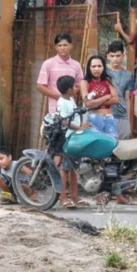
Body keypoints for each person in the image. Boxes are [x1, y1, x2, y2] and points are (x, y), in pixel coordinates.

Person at [55, 75, 90, 208]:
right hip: (67, 138)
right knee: (65, 168)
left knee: (73, 169)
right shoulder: (62, 102)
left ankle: (75, 196)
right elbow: (64, 121)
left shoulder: (70, 99)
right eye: (75, 86)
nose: (77, 88)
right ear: (70, 89)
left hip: (74, 137)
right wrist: (79, 128)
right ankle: (63, 197)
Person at [36, 33, 84, 115]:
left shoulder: (76, 65)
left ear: (71, 46)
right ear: (56, 47)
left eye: (65, 45)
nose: (62, 48)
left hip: (71, 107)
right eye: (59, 45)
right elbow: (40, 86)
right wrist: (59, 97)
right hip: (54, 109)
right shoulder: (48, 64)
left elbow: (80, 85)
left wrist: (73, 92)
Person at [80, 55, 119, 139]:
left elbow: (116, 100)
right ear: (89, 68)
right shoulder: (85, 82)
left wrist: (95, 102)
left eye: (99, 66)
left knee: (113, 143)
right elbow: (87, 103)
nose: (96, 69)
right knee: (95, 143)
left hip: (109, 117)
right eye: (93, 66)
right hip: (94, 118)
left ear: (103, 67)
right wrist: (107, 97)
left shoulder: (107, 80)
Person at [104, 40, 135, 139]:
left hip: (122, 115)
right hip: (106, 114)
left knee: (123, 142)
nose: (115, 59)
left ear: (122, 56)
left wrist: (128, 120)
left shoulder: (127, 75)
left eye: (117, 56)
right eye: (112, 56)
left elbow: (127, 99)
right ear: (108, 56)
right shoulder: (102, 72)